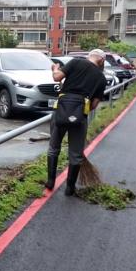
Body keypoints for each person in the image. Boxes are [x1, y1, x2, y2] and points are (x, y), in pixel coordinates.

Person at [45, 49, 107, 196]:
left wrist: (55, 69)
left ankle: (50, 182)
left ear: (89, 56)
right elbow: (93, 105)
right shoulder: (101, 78)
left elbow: (57, 77)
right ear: (102, 61)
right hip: (80, 117)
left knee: (54, 147)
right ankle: (69, 188)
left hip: (61, 112)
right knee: (76, 153)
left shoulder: (75, 62)